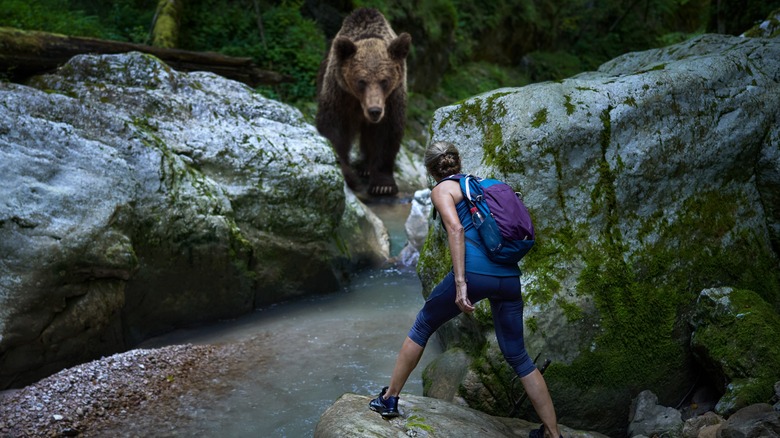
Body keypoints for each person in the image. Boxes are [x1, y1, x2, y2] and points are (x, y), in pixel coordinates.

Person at [369, 141, 563, 438]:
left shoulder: (442, 190)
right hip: (508, 276)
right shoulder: (485, 185)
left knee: (423, 325)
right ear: (457, 162)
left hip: (474, 274)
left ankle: (389, 398)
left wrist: (461, 284)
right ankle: (553, 432)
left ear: (432, 170)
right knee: (519, 356)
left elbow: (456, 230)